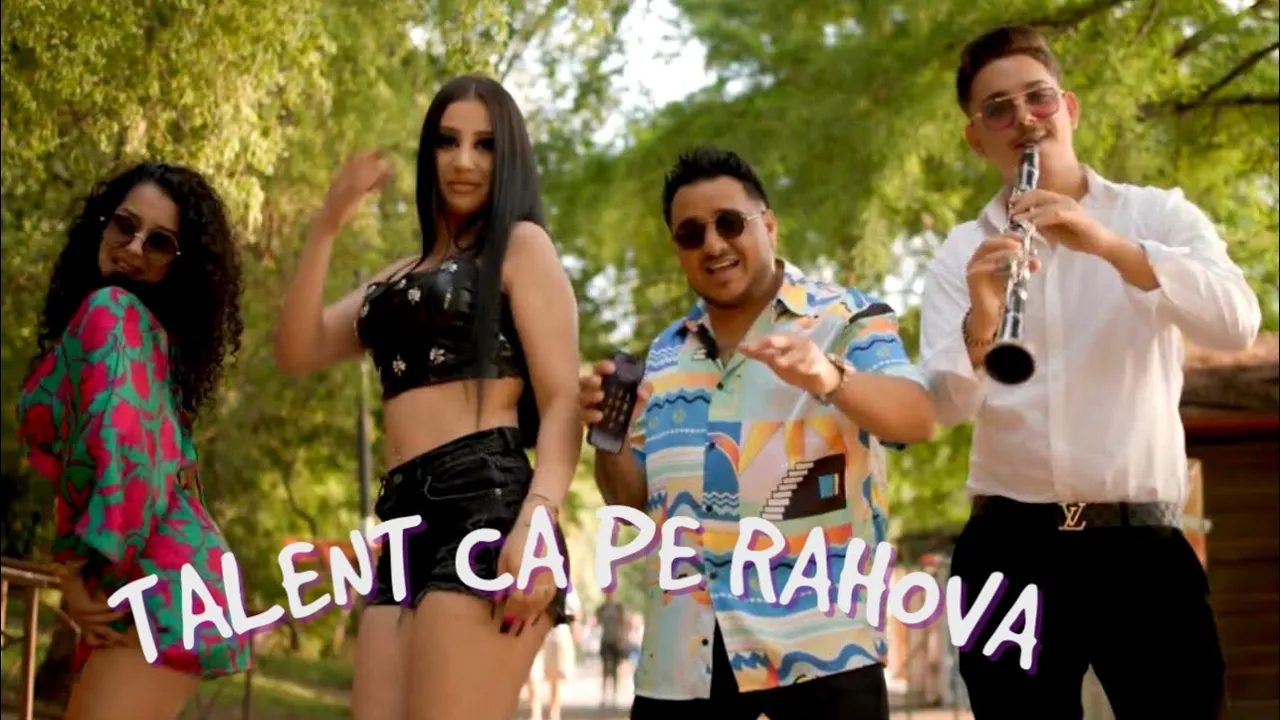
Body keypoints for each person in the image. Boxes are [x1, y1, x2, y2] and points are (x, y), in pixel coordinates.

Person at [918, 25, 1261, 720]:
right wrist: (984, 311)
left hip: (1142, 547)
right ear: (976, 138)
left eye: (1038, 98)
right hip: (1008, 549)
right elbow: (947, 407)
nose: (1024, 119)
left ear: (1068, 108)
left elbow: (1236, 324)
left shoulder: (1155, 214)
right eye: (998, 109)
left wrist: (1110, 246)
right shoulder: (961, 251)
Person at [579, 146, 936, 720]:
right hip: (682, 663)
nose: (713, 244)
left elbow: (916, 418)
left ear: (767, 225)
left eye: (729, 223)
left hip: (823, 651)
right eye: (691, 233)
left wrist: (830, 376)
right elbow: (630, 502)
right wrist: (607, 436)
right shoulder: (664, 353)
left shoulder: (848, 320)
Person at [274, 74, 582, 720]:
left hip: (486, 503)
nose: (463, 160)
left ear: (509, 157)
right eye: (448, 141)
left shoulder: (521, 247)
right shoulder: (394, 279)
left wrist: (538, 517)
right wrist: (326, 226)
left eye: (484, 144)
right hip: (402, 518)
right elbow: (297, 349)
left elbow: (562, 403)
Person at [17, 162, 250, 720]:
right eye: (125, 225)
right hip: (162, 578)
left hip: (157, 582)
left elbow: (124, 452)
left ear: (178, 264)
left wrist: (73, 568)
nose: (134, 248)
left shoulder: (114, 313)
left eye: (160, 242)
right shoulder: (135, 331)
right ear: (103, 225)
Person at [526, 590, 582, 720]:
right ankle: (535, 712)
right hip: (536, 634)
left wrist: (576, 633)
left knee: (556, 678)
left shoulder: (569, 591)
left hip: (558, 635)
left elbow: (576, 614)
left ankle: (553, 714)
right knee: (533, 674)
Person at [595, 592, 627, 709]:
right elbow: (598, 622)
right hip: (605, 640)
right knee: (605, 669)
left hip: (616, 641)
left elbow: (623, 624)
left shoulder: (619, 608)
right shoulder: (602, 608)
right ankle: (604, 697)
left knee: (615, 670)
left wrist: (623, 640)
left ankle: (614, 697)